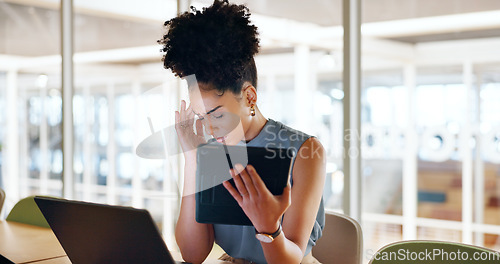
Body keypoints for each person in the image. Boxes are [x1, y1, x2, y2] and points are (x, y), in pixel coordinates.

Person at [158, 1, 326, 263]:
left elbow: (290, 258)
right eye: (202, 117)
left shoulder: (305, 151)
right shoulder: (212, 153)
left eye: (217, 114)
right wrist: (193, 159)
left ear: (249, 97)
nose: (209, 129)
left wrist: (269, 225)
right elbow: (193, 254)